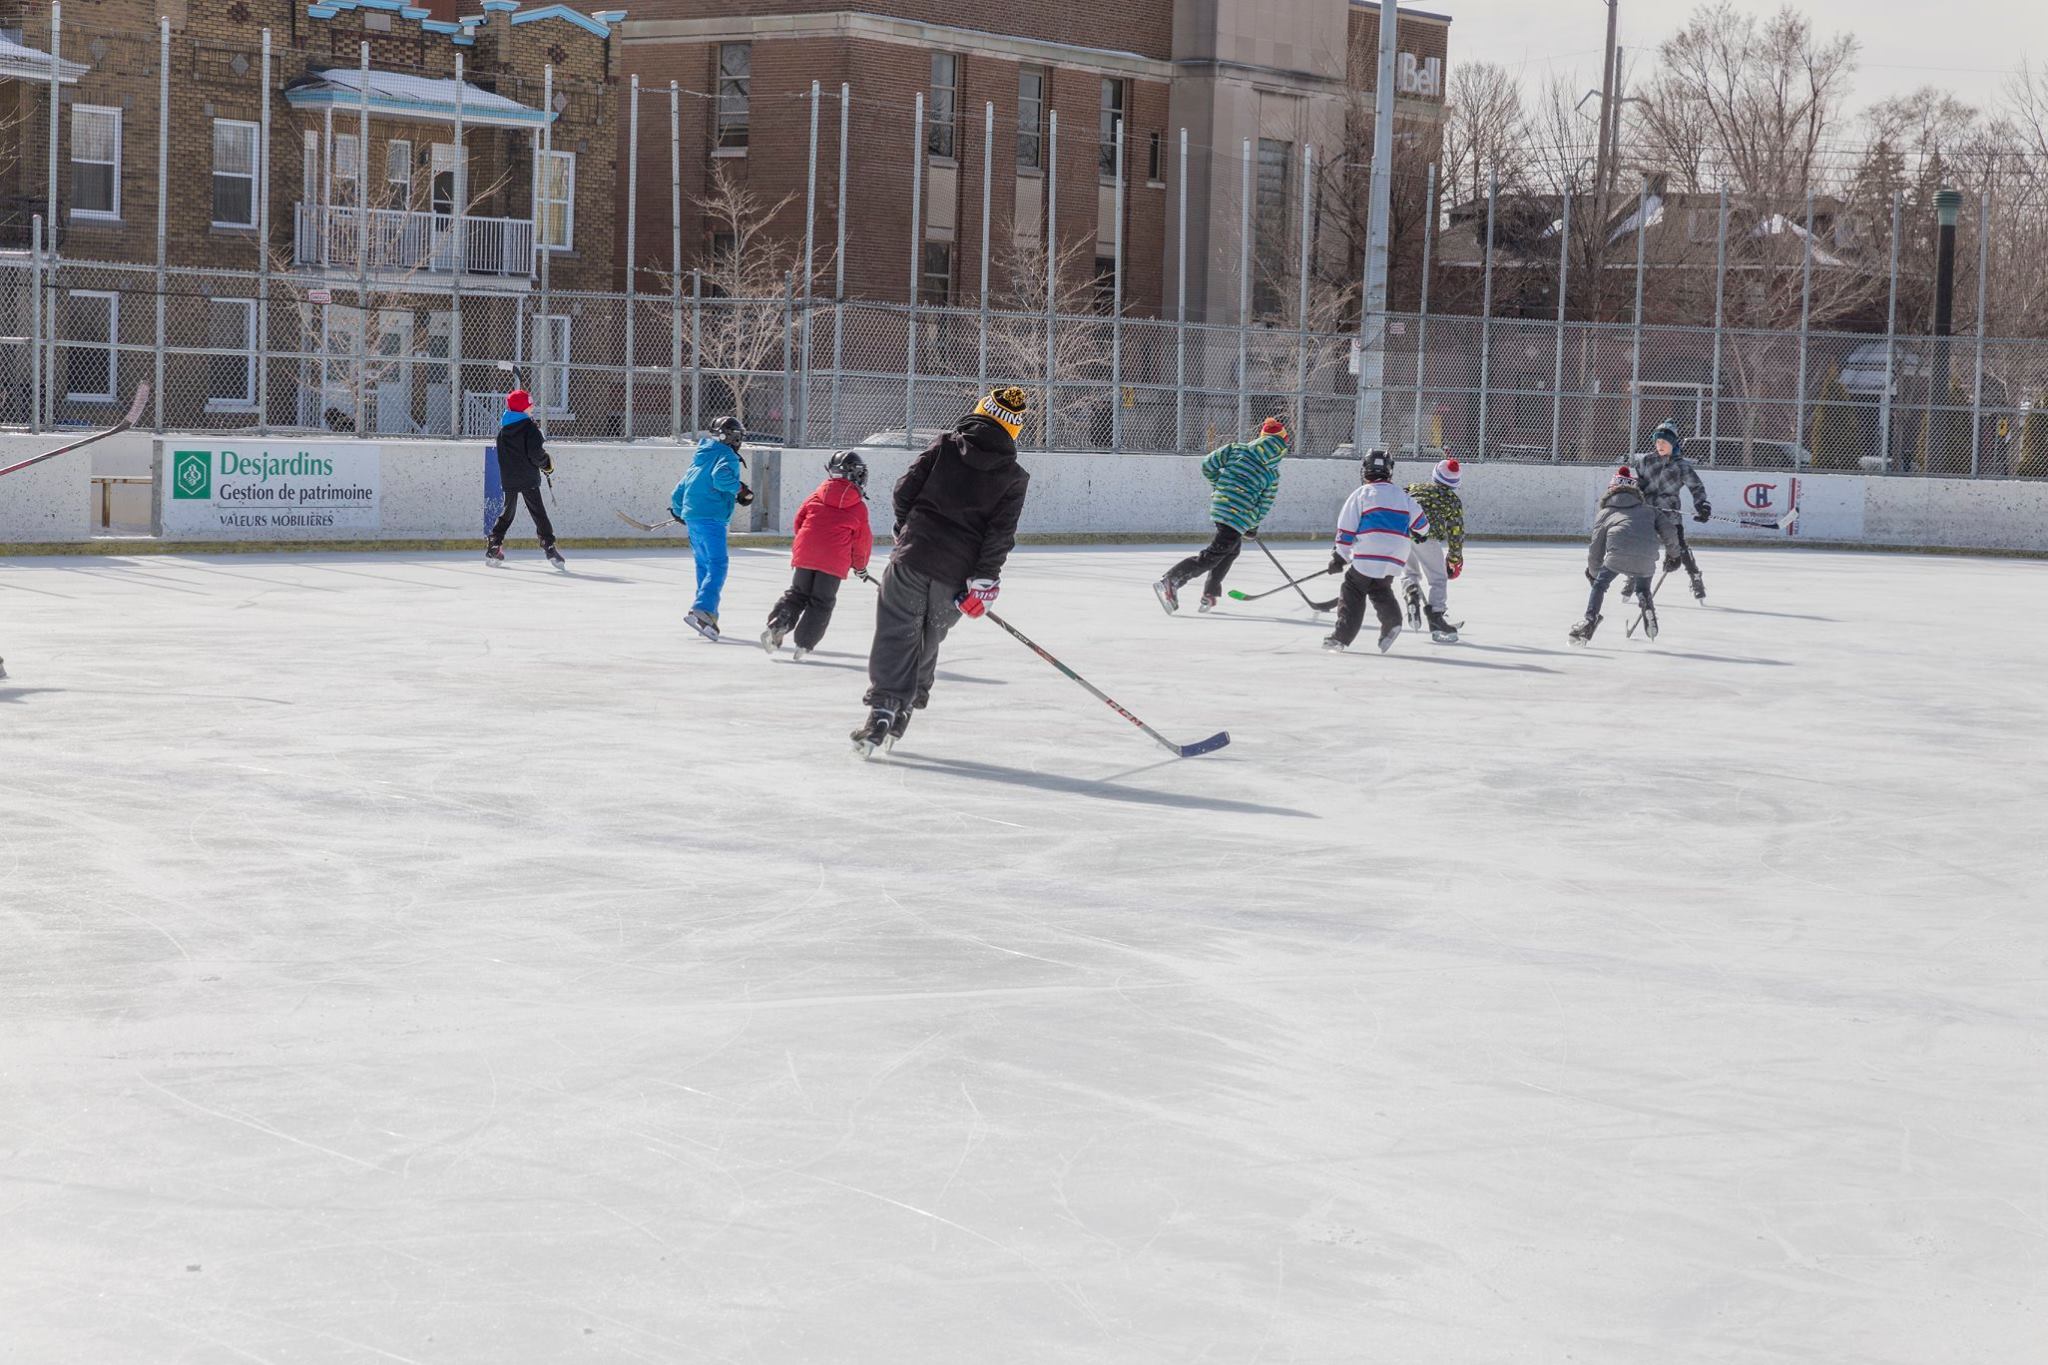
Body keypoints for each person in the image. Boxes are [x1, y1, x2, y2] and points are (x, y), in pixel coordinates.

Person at [852, 386, 1031, 755]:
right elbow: (1000, 533)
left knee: (896, 632)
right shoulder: (1014, 476)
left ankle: (884, 708)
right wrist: (986, 577)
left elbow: (904, 491)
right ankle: (905, 706)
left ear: (980, 410)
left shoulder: (945, 446)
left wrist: (904, 528)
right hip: (957, 572)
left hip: (914, 556)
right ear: (1015, 428)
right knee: (928, 635)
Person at [1152, 417, 1290, 614]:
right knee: (1213, 555)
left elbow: (1207, 465)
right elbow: (1264, 503)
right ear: (1282, 445)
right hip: (1241, 516)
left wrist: (1221, 486)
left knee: (1231, 550)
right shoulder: (1273, 473)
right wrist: (1253, 524)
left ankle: (1210, 592)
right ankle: (1172, 579)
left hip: (1221, 506)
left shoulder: (1236, 449)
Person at [762, 451, 874, 660]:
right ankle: (804, 643)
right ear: (857, 475)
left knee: (797, 594)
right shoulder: (858, 507)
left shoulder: (816, 495)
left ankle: (779, 622)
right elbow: (862, 542)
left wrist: (806, 547)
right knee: (821, 602)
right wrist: (860, 566)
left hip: (806, 553)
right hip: (833, 562)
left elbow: (799, 521)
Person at [1324, 448, 1429, 654]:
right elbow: (1423, 526)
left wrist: (1339, 556)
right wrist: (1421, 532)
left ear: (1365, 470)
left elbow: (1346, 527)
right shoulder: (1403, 496)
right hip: (1396, 556)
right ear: (1390, 471)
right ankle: (1392, 622)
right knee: (1379, 588)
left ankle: (1340, 638)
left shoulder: (1361, 493)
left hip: (1369, 552)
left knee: (1352, 589)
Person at [670, 415, 754, 641]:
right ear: (733, 438)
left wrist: (679, 511)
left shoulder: (701, 456)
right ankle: (703, 610)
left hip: (694, 518)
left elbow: (680, 489)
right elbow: (720, 479)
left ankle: (706, 614)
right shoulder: (727, 455)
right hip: (711, 518)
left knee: (704, 565)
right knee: (718, 564)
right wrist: (741, 490)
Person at [1573, 465, 1661, 645]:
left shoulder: (1606, 512)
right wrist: (1674, 554)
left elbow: (1596, 549)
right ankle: (1646, 603)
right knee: (1643, 588)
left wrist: (1593, 572)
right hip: (1647, 557)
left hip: (1616, 558)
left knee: (1600, 586)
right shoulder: (1646, 510)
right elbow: (1664, 531)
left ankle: (1590, 619)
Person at [486, 388, 564, 569]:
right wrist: (547, 464)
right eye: (530, 405)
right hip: (528, 479)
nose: (533, 406)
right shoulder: (531, 429)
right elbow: (536, 454)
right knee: (538, 513)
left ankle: (494, 543)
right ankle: (549, 545)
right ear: (523, 409)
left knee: (506, 514)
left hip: (510, 479)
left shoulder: (503, 431)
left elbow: (503, 456)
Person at [1637, 419, 1711, 601]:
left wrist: (1702, 505)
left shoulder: (1681, 465)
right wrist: (1636, 492)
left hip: (1670, 515)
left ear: (1673, 443)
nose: (1659, 445)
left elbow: (1696, 487)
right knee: (1640, 547)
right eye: (1657, 441)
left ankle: (1695, 576)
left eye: (1663, 442)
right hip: (1647, 513)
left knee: (1679, 548)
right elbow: (1636, 482)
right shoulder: (1646, 461)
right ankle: (1634, 579)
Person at [1401, 457, 1465, 642]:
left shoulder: (1413, 488)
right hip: (1427, 538)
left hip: (1403, 536)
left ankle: (1411, 595)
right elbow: (1455, 531)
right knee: (1438, 578)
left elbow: (1396, 505)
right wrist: (1454, 557)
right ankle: (1436, 617)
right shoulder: (1452, 500)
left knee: (1410, 573)